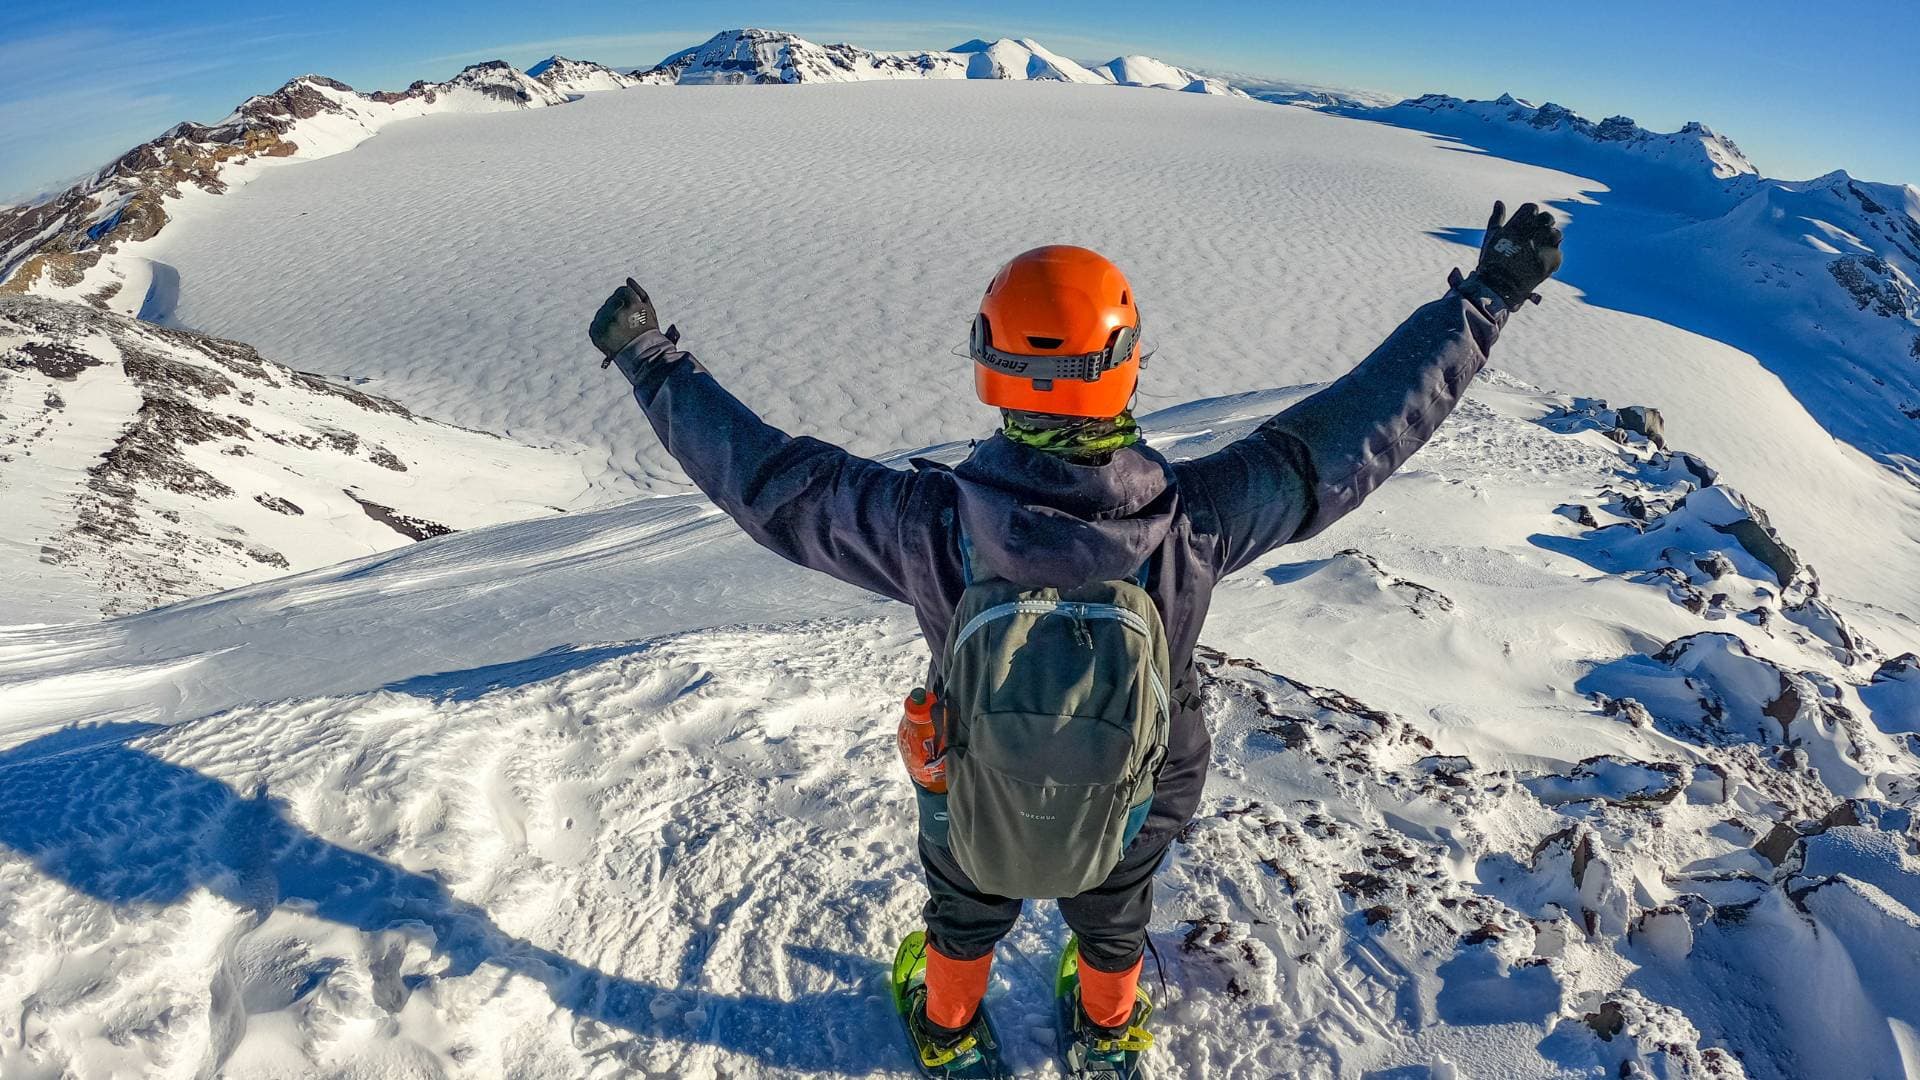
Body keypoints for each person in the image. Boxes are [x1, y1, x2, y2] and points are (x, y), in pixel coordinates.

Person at [588, 202, 1563, 1075]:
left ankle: (953, 1028)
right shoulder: (1199, 518)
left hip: (975, 778)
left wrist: (649, 358)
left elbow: (772, 483)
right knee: (1114, 910)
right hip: (1141, 785)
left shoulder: (927, 523)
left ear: (990, 368)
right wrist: (1483, 301)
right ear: (1127, 360)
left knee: (964, 911)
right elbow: (1355, 432)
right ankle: (1106, 1031)